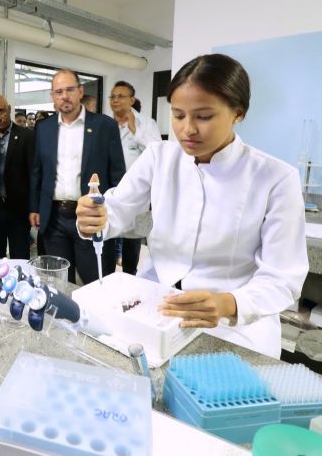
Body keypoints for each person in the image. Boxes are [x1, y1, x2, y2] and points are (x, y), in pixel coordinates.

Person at [77, 54, 308, 358]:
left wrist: (229, 303)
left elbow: (282, 279)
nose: (187, 129)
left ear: (238, 113)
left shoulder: (275, 178)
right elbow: (118, 207)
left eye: (203, 116)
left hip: (232, 326)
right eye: (178, 115)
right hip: (155, 303)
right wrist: (97, 215)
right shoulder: (159, 157)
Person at [30, 69, 125, 284]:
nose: (65, 96)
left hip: (89, 215)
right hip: (54, 217)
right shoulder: (44, 128)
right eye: (59, 91)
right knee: (59, 280)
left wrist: (112, 210)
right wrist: (35, 207)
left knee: (96, 279)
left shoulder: (104, 126)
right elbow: (37, 170)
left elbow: (117, 174)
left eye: (70, 89)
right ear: (52, 96)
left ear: (80, 91)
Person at [108, 80, 161, 274]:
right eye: (112, 96)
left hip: (138, 196)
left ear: (132, 99)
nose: (115, 100)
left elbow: (158, 154)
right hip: (110, 191)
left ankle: (130, 279)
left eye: (121, 96)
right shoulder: (105, 123)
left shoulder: (147, 123)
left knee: (133, 243)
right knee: (108, 242)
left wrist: (135, 132)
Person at [0, 95, 35, 260]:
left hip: (17, 211)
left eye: (1, 111)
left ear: (9, 109)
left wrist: (33, 207)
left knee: (20, 257)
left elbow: (34, 175)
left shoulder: (27, 136)